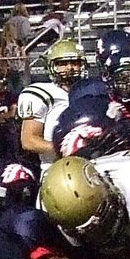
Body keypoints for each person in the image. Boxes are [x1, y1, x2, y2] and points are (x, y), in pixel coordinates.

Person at [17, 37, 88, 175]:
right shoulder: (42, 93)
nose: (69, 67)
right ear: (52, 66)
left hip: (90, 167)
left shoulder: (93, 91)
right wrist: (67, 148)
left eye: (75, 62)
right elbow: (29, 140)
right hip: (55, 169)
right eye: (62, 63)